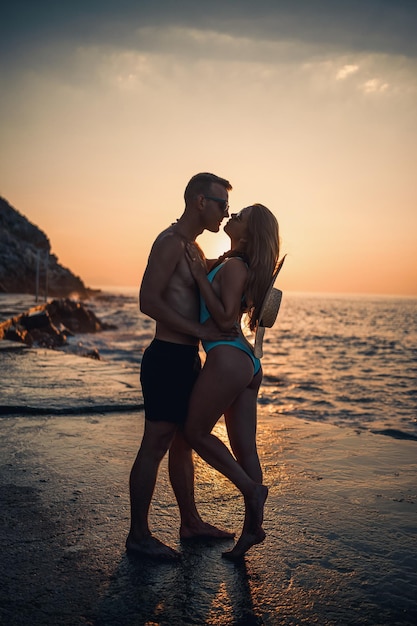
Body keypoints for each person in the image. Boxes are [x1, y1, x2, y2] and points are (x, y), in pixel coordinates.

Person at [127, 172, 237, 560]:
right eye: (221, 203)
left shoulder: (190, 247)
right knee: (155, 443)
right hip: (166, 358)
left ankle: (190, 522)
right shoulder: (170, 242)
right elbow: (148, 300)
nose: (226, 212)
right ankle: (138, 536)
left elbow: (209, 282)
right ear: (199, 201)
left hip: (187, 358)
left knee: (184, 442)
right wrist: (198, 328)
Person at [184, 203, 280, 559]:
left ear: (250, 233)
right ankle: (251, 532)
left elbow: (224, 319)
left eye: (240, 216)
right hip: (248, 363)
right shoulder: (235, 263)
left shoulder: (237, 267)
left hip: (227, 355)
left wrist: (198, 277)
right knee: (247, 451)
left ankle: (250, 490)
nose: (233, 216)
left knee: (194, 433)